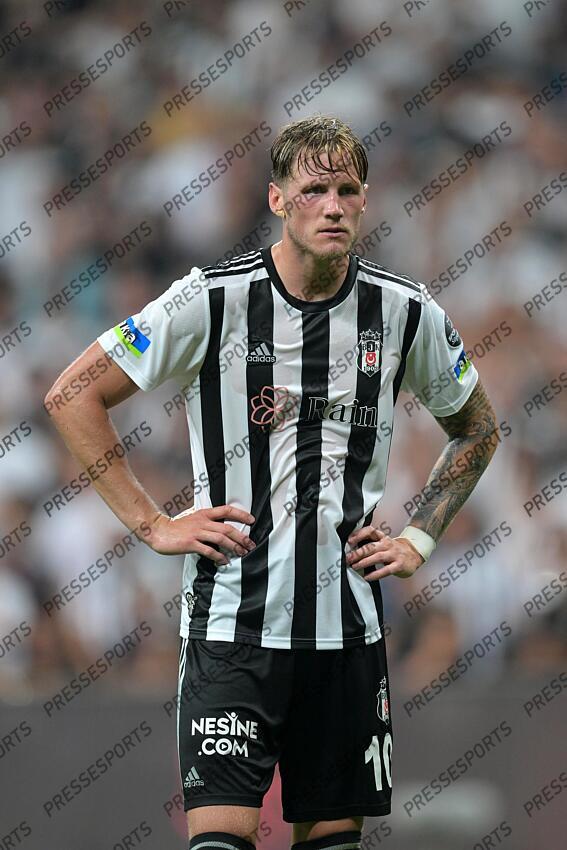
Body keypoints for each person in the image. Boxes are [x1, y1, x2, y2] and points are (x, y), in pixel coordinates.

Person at [45, 115, 498, 850]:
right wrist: (152, 524)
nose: (332, 205)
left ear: (364, 200)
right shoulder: (210, 301)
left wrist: (419, 535)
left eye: (347, 190)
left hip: (346, 634)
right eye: (314, 189)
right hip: (231, 628)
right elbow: (72, 395)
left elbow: (477, 427)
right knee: (221, 843)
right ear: (277, 200)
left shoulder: (404, 311)